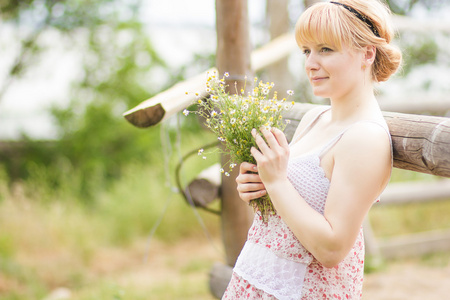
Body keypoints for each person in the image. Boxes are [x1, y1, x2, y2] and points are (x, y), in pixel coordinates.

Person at [222, 0, 402, 299]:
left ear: (367, 53)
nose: (310, 63)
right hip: (255, 279)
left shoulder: (365, 138)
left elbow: (332, 248)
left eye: (325, 50)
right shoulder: (313, 118)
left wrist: (277, 182)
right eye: (306, 51)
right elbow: (291, 209)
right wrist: (258, 185)